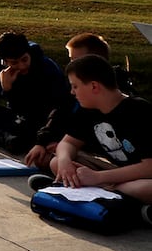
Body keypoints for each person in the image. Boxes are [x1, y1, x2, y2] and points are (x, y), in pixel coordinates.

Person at [32, 54, 152, 225]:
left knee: (141, 188)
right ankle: (116, 200)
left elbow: (149, 167)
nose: (72, 92)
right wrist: (66, 162)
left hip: (143, 176)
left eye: (75, 86)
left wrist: (98, 177)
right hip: (118, 174)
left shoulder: (138, 111)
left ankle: (77, 190)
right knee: (57, 163)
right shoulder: (89, 109)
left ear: (94, 86)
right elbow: (68, 143)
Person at [24, 32, 138, 169]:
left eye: (76, 60)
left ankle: (105, 184)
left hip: (130, 167)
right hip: (99, 158)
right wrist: (45, 143)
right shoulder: (83, 99)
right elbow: (62, 116)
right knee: (53, 161)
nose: (72, 65)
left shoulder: (125, 105)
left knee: (138, 187)